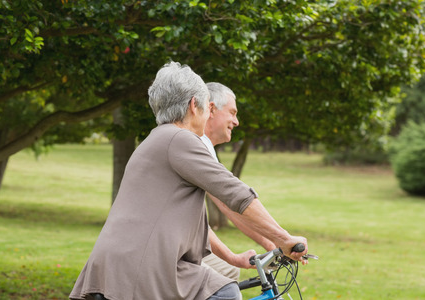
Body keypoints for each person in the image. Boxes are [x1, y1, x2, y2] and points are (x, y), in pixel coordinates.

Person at [69, 62, 308, 300]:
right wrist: (284, 239)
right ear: (194, 105)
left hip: (117, 266)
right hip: (140, 266)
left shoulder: (158, 140)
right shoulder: (179, 139)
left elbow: (181, 219)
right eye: (206, 107)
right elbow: (236, 194)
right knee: (224, 291)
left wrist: (234, 257)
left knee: (219, 285)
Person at [201, 82, 277, 281]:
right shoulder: (195, 145)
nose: (236, 122)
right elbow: (230, 203)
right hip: (156, 250)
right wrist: (280, 240)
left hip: (175, 244)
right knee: (222, 284)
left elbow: (229, 207)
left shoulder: (204, 147)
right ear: (211, 109)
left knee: (228, 271)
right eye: (232, 113)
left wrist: (273, 245)